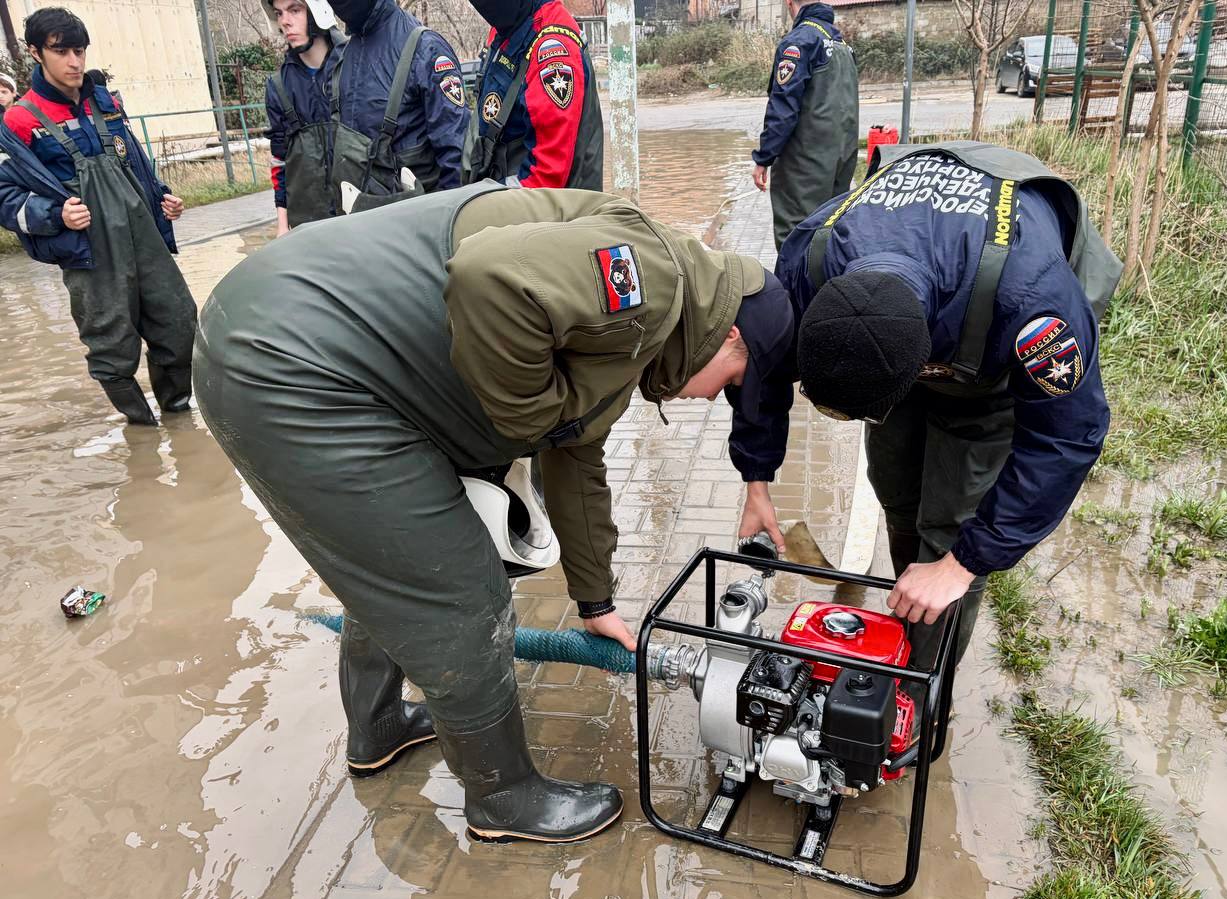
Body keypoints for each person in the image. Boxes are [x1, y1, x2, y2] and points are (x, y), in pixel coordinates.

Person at [193, 182, 794, 843]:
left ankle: (378, 728)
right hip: (298, 363)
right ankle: (503, 797)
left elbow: (575, 453)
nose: (709, 400)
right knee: (458, 590)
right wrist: (526, 420)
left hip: (283, 331)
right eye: (729, 385)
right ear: (727, 336)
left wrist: (595, 599)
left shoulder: (639, 328)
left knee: (393, 564)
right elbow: (490, 276)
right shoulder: (648, 282)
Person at [737, 140, 1120, 673]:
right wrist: (756, 479)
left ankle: (919, 686)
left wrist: (960, 565)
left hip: (987, 346)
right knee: (893, 482)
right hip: (916, 297)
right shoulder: (812, 255)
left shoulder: (1032, 303)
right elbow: (766, 357)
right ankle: (907, 601)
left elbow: (1067, 437)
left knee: (950, 524)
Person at [0, 8, 195, 426]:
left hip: (145, 241)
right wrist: (55, 214)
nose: (74, 62)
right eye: (61, 51)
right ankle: (142, 430)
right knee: (112, 349)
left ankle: (178, 420)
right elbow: (4, 195)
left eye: (80, 51)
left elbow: (135, 164)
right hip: (90, 253)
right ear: (35, 52)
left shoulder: (106, 103)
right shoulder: (19, 121)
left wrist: (163, 197)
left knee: (180, 325)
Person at [323, 0, 467, 205]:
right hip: (359, 216)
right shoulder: (343, 56)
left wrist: (444, 219)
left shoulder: (425, 48)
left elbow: (457, 158)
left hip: (417, 215)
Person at [752, 1, 859, 252]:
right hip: (841, 160)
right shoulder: (841, 44)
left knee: (796, 235)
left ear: (790, 4)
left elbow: (783, 108)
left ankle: (795, 280)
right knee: (830, 230)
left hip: (804, 164)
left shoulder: (798, 42)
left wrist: (764, 157)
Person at [464, 0, 603, 189]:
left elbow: (547, 177)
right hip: (498, 185)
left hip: (538, 201)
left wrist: (480, 199)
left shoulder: (553, 47)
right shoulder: (505, 29)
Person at [262, 0, 345, 234]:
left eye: (295, 10)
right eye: (279, 13)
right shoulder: (278, 86)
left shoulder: (355, 66)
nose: (285, 21)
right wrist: (282, 226)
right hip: (309, 226)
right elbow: (280, 160)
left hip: (361, 216)